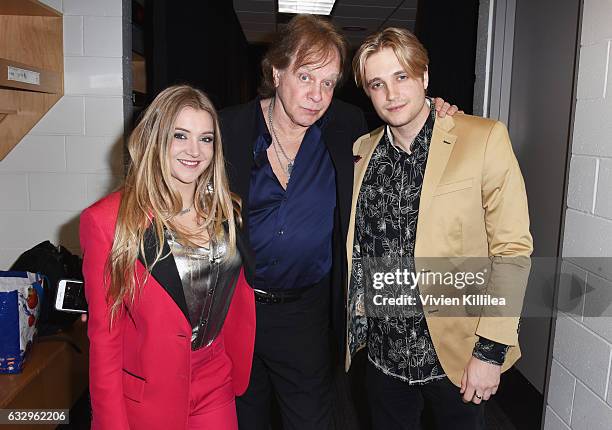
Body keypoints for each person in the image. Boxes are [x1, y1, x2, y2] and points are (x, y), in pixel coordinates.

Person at [219, 14, 456, 430]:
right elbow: (169, 194)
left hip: (307, 314)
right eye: (306, 77)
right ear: (276, 72)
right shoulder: (227, 128)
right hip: (234, 307)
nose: (317, 95)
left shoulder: (345, 125)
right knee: (240, 418)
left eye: (328, 82)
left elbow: (404, 121)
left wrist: (436, 108)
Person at [345, 28, 532, 429]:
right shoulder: (361, 152)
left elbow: (512, 251)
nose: (392, 94)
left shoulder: (483, 138)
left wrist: (490, 352)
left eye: (402, 77)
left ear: (424, 77)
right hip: (383, 360)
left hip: (457, 359)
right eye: (378, 84)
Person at [80, 85, 255, 430]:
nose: (194, 151)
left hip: (215, 377)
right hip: (149, 391)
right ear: (156, 139)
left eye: (206, 139)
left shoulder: (226, 210)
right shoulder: (108, 221)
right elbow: (105, 344)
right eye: (180, 135)